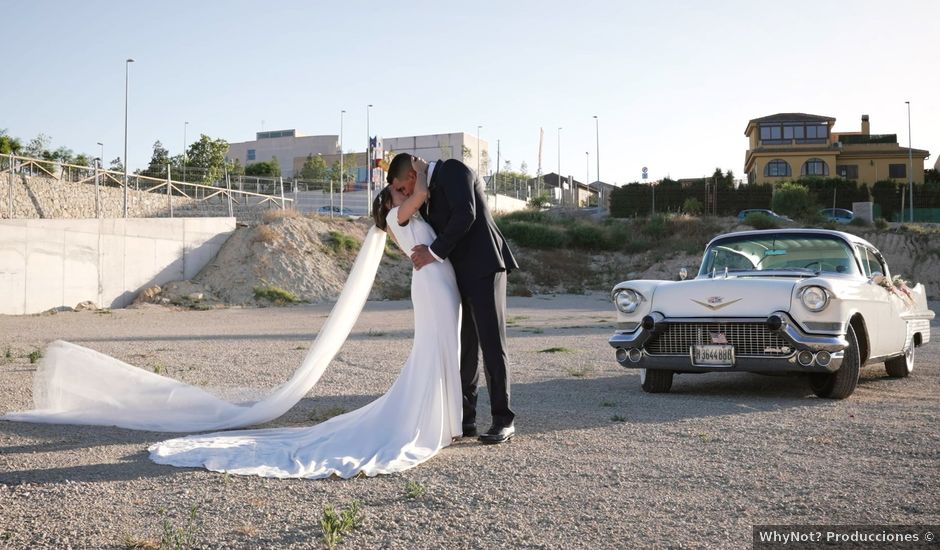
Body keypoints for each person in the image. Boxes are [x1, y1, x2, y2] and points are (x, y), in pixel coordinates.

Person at [145, 158, 463, 478]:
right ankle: (437, 421)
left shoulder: (408, 214)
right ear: (388, 204)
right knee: (434, 348)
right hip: (431, 285)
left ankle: (448, 420)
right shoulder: (398, 217)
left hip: (441, 281)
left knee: (448, 346)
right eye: (395, 192)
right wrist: (420, 173)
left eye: (399, 189)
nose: (401, 192)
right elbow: (420, 194)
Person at [387, 153, 519, 444]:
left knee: (492, 342)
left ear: (410, 176)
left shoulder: (453, 170)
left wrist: (433, 252)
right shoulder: (426, 193)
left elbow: (466, 214)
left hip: (485, 267)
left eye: (402, 188)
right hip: (459, 275)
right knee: (467, 348)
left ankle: (503, 419)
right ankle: (466, 418)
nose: (403, 194)